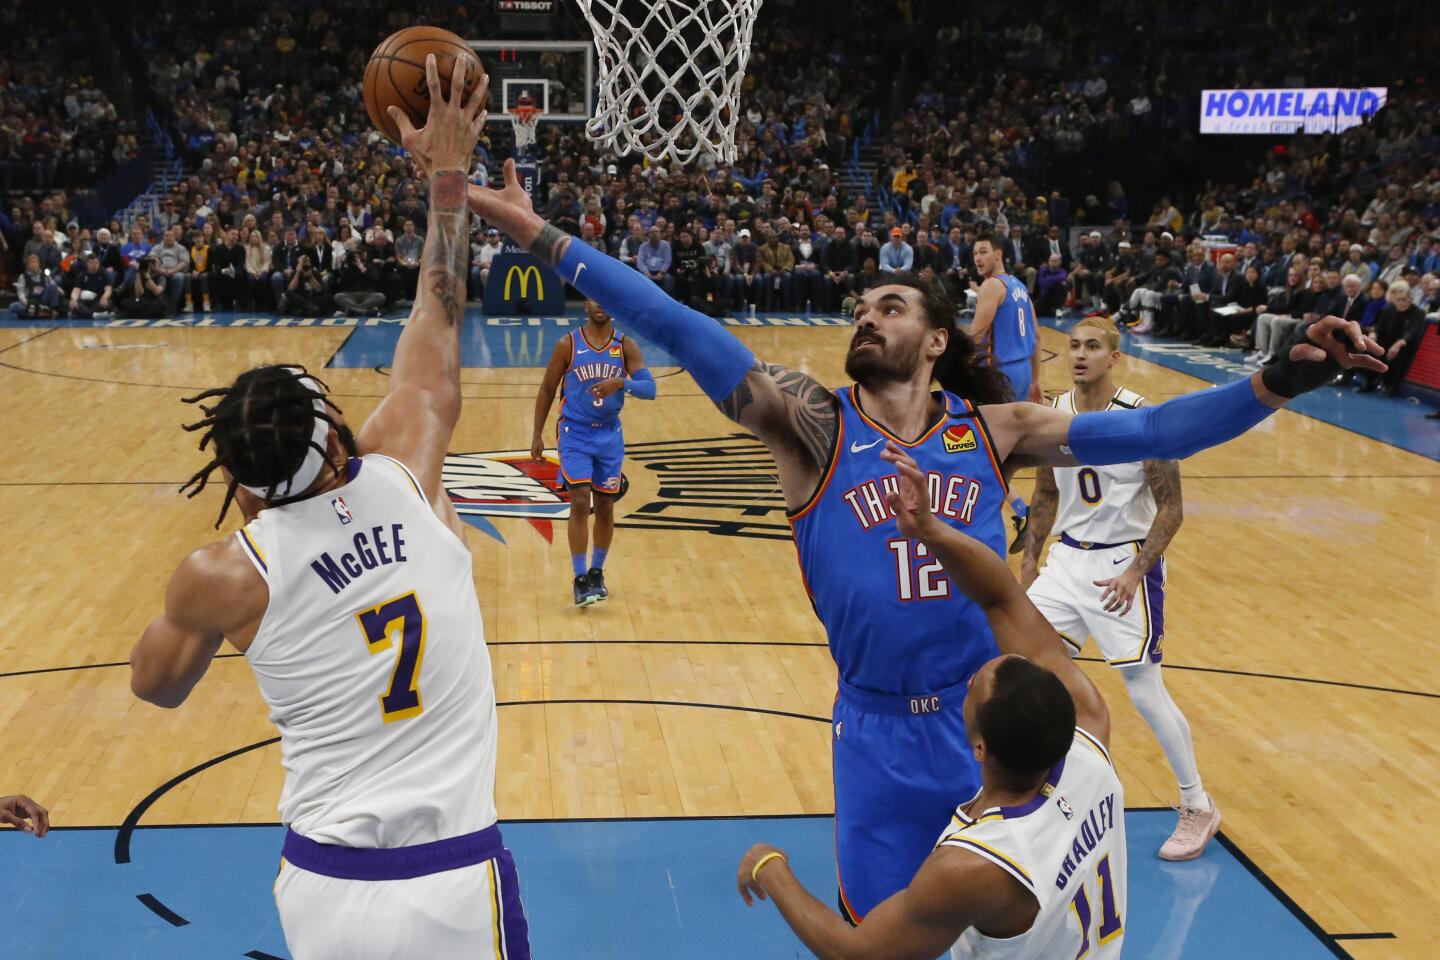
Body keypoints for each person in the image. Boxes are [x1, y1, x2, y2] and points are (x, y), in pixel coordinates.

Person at [461, 155, 1385, 922]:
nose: (868, 315)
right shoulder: (812, 425)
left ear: (938, 337)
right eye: (861, 307)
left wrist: (1276, 382)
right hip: (872, 738)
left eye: (891, 306)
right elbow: (686, 330)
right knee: (879, 943)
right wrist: (545, 239)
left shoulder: (997, 431)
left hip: (983, 726)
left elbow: (1152, 438)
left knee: (1015, 938)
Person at [128, 56, 530, 959]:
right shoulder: (406, 466)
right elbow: (439, 302)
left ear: (232, 478)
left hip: (324, 885)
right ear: (341, 438)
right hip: (454, 877)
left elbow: (154, 688)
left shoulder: (224, 575)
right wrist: (445, 177)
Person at [737, 439, 1126, 959]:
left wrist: (772, 869)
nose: (970, 677)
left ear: (980, 748)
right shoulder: (1090, 747)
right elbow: (1004, 597)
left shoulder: (975, 866)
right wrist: (928, 530)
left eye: (976, 686)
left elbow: (861, 954)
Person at [1022, 316, 1218, 860]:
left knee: (1144, 691)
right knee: (1027, 671)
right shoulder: (1053, 414)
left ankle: (1197, 804)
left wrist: (1136, 573)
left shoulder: (1142, 419)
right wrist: (1031, 562)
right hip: (1065, 560)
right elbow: (1044, 493)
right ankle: (1046, 791)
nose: (1080, 355)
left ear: (1114, 357)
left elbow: (1172, 508)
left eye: (1092, 347)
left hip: (1122, 564)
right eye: (1074, 347)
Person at [531, 300, 656, 606]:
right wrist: (536, 433)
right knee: (578, 499)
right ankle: (579, 578)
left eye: (606, 299)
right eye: (594, 299)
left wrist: (621, 383)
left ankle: (597, 571)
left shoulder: (625, 346)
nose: (601, 305)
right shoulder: (568, 344)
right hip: (575, 432)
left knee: (605, 505)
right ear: (586, 303)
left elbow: (650, 389)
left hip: (609, 434)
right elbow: (547, 388)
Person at [970, 233, 1041, 552]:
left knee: (985, 449)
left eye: (983, 252)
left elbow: (976, 334)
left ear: (998, 254)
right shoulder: (1019, 286)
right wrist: (1036, 380)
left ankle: (1017, 512)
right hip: (1022, 369)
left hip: (1001, 373)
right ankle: (1014, 511)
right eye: (974, 253)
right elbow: (1037, 336)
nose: (977, 258)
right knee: (997, 450)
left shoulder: (991, 286)